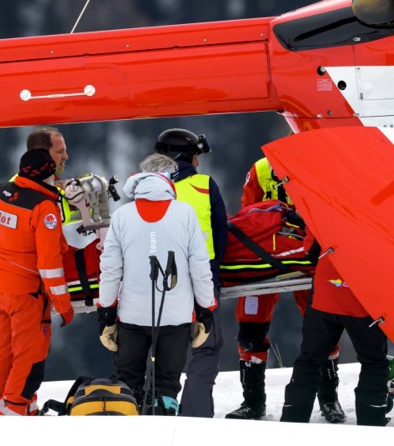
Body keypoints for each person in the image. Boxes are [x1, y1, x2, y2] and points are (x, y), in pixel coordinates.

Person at [95, 153, 217, 414]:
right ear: (170, 178)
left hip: (132, 316)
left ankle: (128, 416)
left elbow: (110, 270)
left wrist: (106, 313)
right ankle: (164, 418)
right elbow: (200, 266)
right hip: (176, 316)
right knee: (167, 384)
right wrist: (206, 310)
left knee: (127, 382)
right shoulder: (185, 213)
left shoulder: (122, 216)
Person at [226, 156, 345, 422]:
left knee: (324, 326)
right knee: (250, 329)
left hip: (308, 257)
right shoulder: (261, 168)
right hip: (263, 259)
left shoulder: (324, 166)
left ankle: (329, 400)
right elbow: (247, 215)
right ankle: (252, 403)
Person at [0, 126, 71, 415]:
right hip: (25, 295)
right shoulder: (44, 208)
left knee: (2, 355)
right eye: (60, 152)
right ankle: (14, 418)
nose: (65, 157)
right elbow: (49, 266)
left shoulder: (1, 192)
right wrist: (64, 305)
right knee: (27, 363)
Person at [153, 127, 228, 418]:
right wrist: (215, 271)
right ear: (185, 156)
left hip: (157, 281)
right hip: (201, 279)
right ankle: (195, 415)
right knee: (206, 347)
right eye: (196, 156)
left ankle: (157, 409)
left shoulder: (146, 189)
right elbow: (220, 232)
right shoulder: (204, 185)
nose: (198, 162)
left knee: (162, 348)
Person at [280, 228, 390, 427]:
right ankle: (372, 425)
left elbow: (311, 250)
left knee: (309, 361)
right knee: (374, 362)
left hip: (326, 292)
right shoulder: (383, 215)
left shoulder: (328, 210)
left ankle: (292, 422)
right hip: (363, 298)